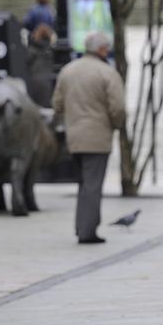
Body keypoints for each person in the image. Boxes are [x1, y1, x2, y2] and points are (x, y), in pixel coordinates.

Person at [52, 32, 126, 244]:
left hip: (74, 137)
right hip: (97, 137)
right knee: (93, 184)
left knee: (84, 183)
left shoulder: (68, 71)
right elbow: (118, 107)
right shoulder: (107, 73)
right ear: (102, 49)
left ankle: (81, 225)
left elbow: (56, 104)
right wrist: (116, 124)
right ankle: (87, 231)